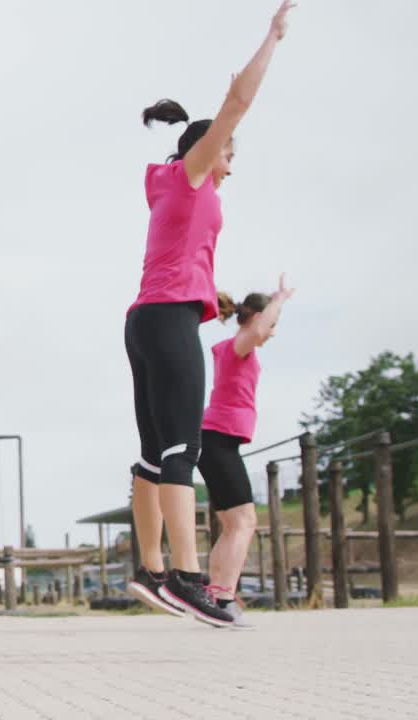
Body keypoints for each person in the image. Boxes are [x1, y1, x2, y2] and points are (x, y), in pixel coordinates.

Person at [124, 0, 296, 628]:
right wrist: (271, 38)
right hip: (167, 322)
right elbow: (238, 103)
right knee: (180, 447)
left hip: (145, 320)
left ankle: (151, 570)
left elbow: (181, 255)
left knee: (152, 455)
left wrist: (210, 291)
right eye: (227, 153)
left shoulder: (166, 185)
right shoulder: (192, 175)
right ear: (205, 148)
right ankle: (189, 581)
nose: (230, 163)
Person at [200, 276, 294, 629]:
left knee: (232, 525)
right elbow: (258, 330)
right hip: (217, 441)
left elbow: (259, 330)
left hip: (217, 442)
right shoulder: (240, 345)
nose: (272, 333)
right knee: (244, 522)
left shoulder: (235, 347)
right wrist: (279, 300)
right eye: (271, 324)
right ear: (256, 317)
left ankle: (215, 596)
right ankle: (223, 599)